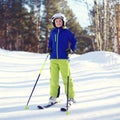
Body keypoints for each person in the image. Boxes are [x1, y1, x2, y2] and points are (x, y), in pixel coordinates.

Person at [48, 13, 77, 105]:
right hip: (53, 59)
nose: (58, 22)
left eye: (60, 21)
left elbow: (74, 41)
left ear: (63, 22)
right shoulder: (52, 32)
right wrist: (49, 48)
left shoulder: (67, 32)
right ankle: (54, 96)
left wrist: (71, 49)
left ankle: (70, 97)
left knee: (67, 78)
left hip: (64, 58)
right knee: (53, 79)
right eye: (56, 21)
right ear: (54, 22)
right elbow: (50, 42)